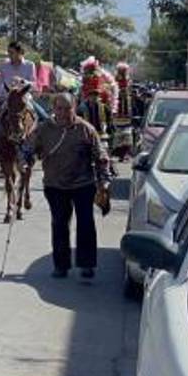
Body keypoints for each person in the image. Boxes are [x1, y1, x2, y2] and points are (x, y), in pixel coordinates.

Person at [31, 93, 112, 279]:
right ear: (53, 109)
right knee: (59, 224)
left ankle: (86, 264)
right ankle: (61, 266)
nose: (63, 113)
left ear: (74, 108)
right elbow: (30, 148)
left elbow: (100, 154)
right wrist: (25, 159)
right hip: (54, 185)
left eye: (67, 108)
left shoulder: (85, 129)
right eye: (59, 108)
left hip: (83, 184)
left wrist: (104, 180)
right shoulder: (44, 129)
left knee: (85, 223)